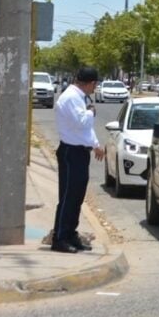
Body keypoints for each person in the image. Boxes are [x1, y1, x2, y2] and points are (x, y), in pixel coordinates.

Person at [51, 67, 105, 253]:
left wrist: (96, 144)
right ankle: (59, 237)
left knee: (77, 197)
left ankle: (70, 233)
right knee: (68, 197)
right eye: (94, 85)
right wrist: (91, 112)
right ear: (91, 83)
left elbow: (84, 130)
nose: (94, 89)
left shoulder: (79, 97)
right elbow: (81, 123)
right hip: (70, 153)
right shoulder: (71, 97)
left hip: (80, 152)